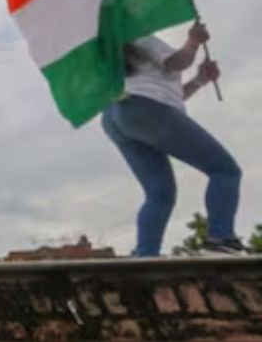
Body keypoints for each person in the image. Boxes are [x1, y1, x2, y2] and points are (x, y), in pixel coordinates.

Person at [102, 22, 243, 256]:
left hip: (118, 116)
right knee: (225, 170)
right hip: (146, 109)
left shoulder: (110, 52)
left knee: (160, 193)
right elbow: (176, 62)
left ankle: (146, 253)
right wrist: (193, 42)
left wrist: (200, 79)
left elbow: (169, 98)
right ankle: (220, 239)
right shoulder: (135, 33)